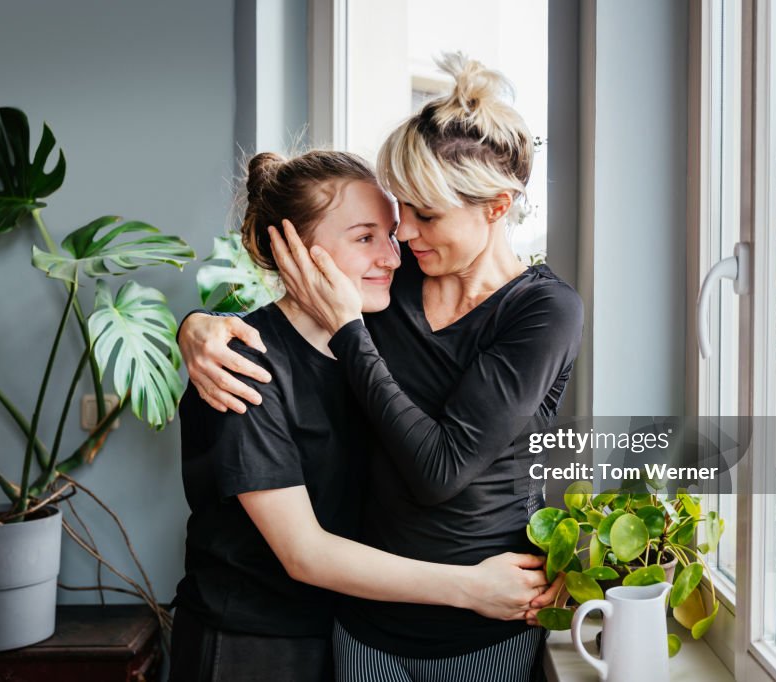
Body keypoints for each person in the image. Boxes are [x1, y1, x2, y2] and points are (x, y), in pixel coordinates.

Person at [179, 54, 584, 682]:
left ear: (497, 208)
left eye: (421, 219)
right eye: (391, 224)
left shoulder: (531, 308)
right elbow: (307, 550)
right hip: (320, 630)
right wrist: (198, 327)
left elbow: (446, 466)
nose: (404, 246)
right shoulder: (343, 311)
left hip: (464, 625)